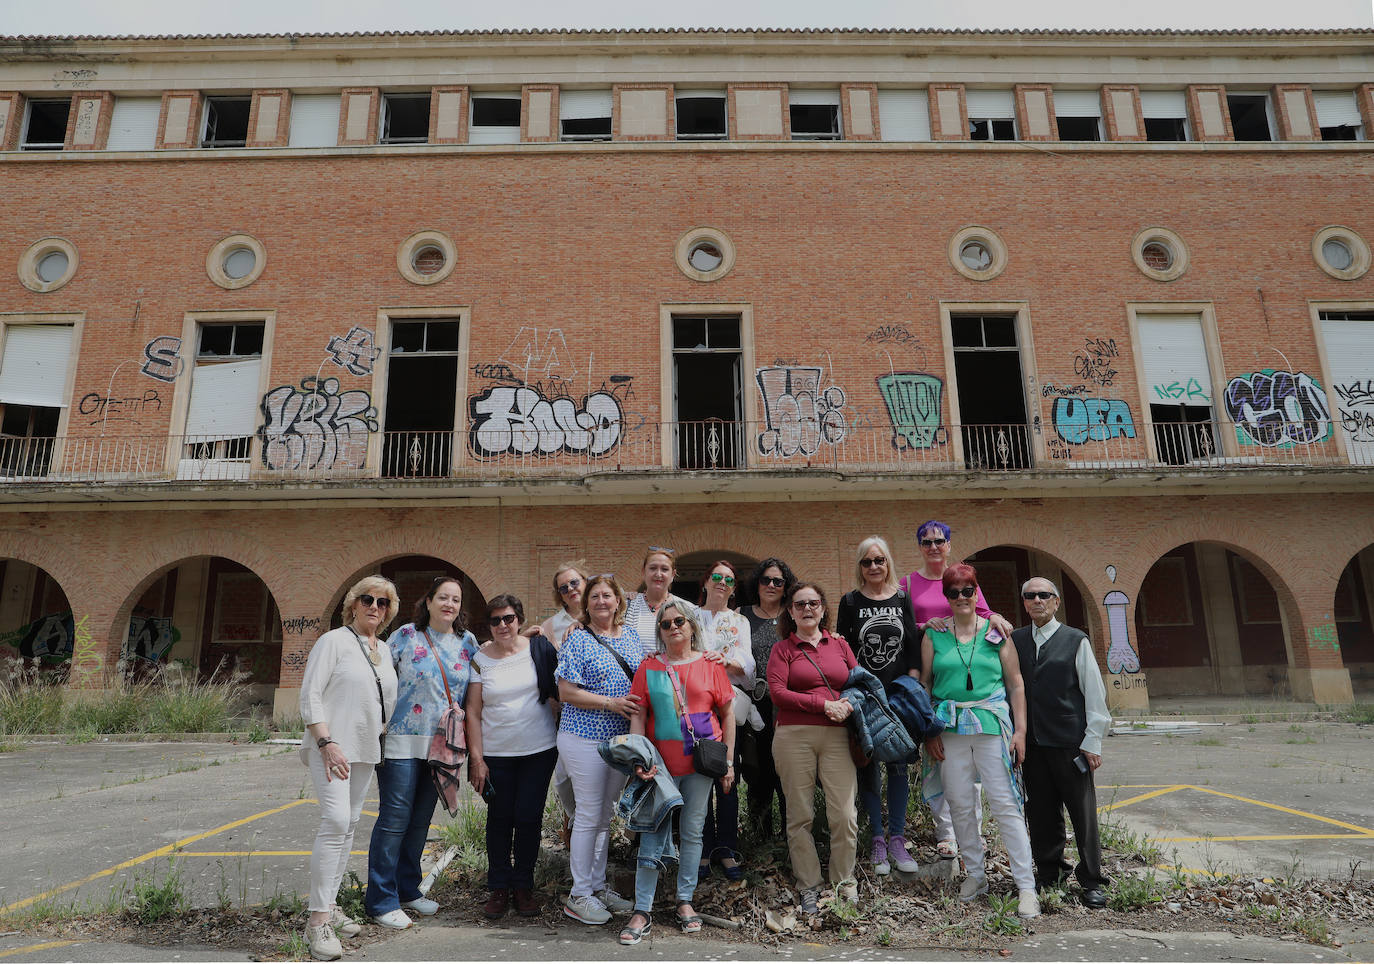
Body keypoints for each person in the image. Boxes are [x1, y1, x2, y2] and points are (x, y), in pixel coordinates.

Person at [920, 564, 1039, 919]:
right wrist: (929, 732)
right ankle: (974, 875)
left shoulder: (997, 632)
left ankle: (1026, 886)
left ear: (976, 592)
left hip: (991, 728)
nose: (961, 598)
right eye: (953, 592)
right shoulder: (933, 635)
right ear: (946, 597)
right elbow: (925, 684)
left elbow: (1015, 683)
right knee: (959, 805)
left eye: (967, 591)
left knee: (1006, 805)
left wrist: (1020, 732)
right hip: (950, 730)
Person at [364, 575, 478, 930]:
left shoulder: (468, 642)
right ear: (428, 601)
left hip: (441, 747)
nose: (449, 604)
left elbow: (493, 666)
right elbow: (375, 677)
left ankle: (408, 889)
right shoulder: (404, 636)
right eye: (442, 597)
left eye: (456, 600)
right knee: (394, 819)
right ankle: (380, 900)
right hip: (399, 741)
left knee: (419, 821)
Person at [619, 600, 736, 945]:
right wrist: (639, 757)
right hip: (660, 768)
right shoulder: (648, 667)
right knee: (652, 833)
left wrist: (728, 761)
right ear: (660, 632)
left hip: (701, 766)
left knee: (692, 832)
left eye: (679, 621)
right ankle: (642, 909)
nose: (673, 628)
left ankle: (685, 901)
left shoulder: (710, 665)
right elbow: (639, 715)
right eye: (666, 624)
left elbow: (728, 714)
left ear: (691, 626)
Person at [299, 575, 401, 962]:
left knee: (351, 826)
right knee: (337, 822)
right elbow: (310, 694)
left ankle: (331, 905)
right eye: (367, 599)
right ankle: (317, 922)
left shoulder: (385, 650)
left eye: (383, 602)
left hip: (363, 748)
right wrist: (326, 742)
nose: (375, 607)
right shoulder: (334, 641)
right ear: (353, 604)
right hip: (332, 747)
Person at [899, 520, 1012, 858]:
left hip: (964, 677)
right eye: (926, 541)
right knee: (939, 759)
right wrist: (924, 625)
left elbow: (984, 612)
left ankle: (972, 831)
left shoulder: (961, 578)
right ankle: (945, 830)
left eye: (939, 541)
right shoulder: (908, 583)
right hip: (929, 675)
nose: (933, 547)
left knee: (969, 766)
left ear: (949, 544)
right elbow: (903, 624)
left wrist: (997, 618)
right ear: (919, 546)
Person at [1012, 577, 1111, 908]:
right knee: (1040, 814)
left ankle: (1093, 880)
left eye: (1044, 595)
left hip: (1071, 743)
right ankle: (1050, 874)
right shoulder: (1016, 641)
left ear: (1056, 602)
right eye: (1030, 595)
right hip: (1034, 746)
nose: (1037, 600)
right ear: (1024, 603)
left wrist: (1092, 741)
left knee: (1083, 815)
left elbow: (1094, 694)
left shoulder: (1075, 640)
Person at [555, 573, 644, 925]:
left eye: (608, 596)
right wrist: (611, 703)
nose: (602, 602)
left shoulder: (632, 637)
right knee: (589, 815)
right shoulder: (577, 639)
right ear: (586, 603)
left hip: (618, 741)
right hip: (583, 736)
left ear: (618, 601)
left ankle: (597, 885)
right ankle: (579, 895)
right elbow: (566, 692)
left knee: (605, 816)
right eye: (595, 597)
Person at [767, 581, 860, 914]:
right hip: (794, 736)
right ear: (790, 611)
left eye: (814, 603)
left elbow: (859, 683)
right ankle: (808, 885)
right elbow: (778, 693)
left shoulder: (839, 645)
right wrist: (823, 706)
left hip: (837, 735)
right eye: (799, 604)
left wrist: (848, 705)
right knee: (800, 815)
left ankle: (843, 882)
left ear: (823, 609)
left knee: (845, 814)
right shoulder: (783, 649)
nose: (807, 609)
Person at [466, 593, 560, 919]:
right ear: (489, 625)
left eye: (508, 618)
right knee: (500, 819)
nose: (503, 625)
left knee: (529, 818)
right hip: (496, 754)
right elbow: (473, 712)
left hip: (539, 750)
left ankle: (523, 887)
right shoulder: (479, 658)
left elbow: (559, 686)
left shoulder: (539, 648)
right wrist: (477, 759)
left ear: (519, 619)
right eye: (496, 620)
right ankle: (498, 888)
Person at [835, 536, 921, 876]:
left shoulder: (903, 599)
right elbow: (844, 653)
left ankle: (897, 837)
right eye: (867, 562)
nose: (873, 567)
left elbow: (912, 645)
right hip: (866, 698)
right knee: (867, 767)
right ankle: (877, 839)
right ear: (860, 566)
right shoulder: (850, 601)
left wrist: (912, 689)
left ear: (888, 563)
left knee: (899, 767)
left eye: (879, 560)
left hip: (899, 696)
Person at [695, 560, 755, 881]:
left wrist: (726, 660)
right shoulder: (690, 615)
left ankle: (727, 847)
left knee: (729, 775)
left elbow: (747, 664)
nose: (722, 583)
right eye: (716, 577)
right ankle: (703, 846)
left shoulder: (739, 621)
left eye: (729, 580)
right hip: (697, 708)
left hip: (728, 707)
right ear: (705, 582)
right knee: (702, 776)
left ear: (733, 589)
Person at [739, 557, 795, 837]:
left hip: (788, 705)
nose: (771, 585)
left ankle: (789, 836)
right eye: (766, 580)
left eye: (778, 581)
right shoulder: (741, 614)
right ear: (756, 583)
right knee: (757, 771)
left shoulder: (793, 615)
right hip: (754, 705)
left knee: (787, 771)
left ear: (786, 587)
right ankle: (758, 838)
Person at [624, 547, 677, 656]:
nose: (658, 574)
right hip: (636, 672)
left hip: (672, 672)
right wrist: (579, 620)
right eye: (653, 568)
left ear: (673, 575)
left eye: (665, 569)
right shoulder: (627, 605)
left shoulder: (686, 608)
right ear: (643, 572)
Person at [540, 561, 588, 647]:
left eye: (574, 582)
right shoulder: (548, 627)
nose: (570, 588)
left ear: (586, 582)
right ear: (560, 595)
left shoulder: (602, 615)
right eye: (563, 588)